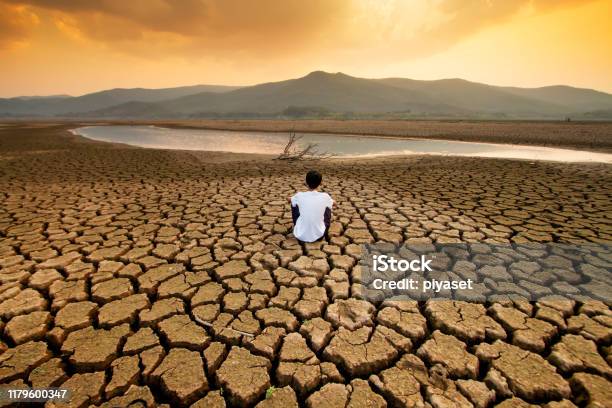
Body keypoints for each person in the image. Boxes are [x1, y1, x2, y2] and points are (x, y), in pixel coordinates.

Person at [291, 170, 333, 243]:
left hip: (300, 235)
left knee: (293, 203)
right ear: (320, 183)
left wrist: (292, 199)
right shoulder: (325, 196)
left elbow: (290, 199)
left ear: (306, 183)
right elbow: (334, 203)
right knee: (328, 206)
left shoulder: (299, 195)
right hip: (320, 235)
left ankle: (298, 225)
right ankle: (325, 229)